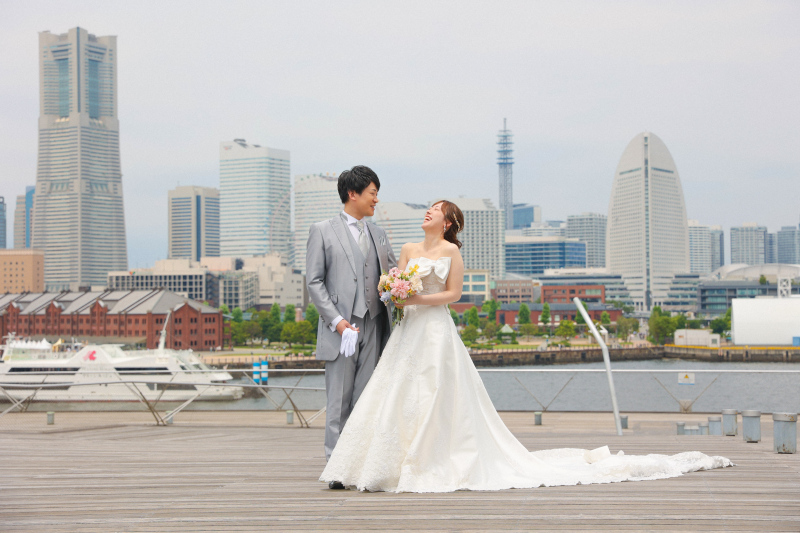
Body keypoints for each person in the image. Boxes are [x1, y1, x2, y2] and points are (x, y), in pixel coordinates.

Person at [320, 200, 732, 493]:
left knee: (435, 393)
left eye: (436, 209)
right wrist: (392, 292)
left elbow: (453, 295)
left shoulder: (451, 252)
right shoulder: (408, 248)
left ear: (447, 223)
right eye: (429, 207)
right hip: (408, 331)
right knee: (395, 395)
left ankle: (430, 460)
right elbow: (389, 280)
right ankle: (381, 461)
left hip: (433, 329)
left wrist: (414, 299)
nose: (428, 211)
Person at [305, 166, 397, 485]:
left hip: (374, 324)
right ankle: (336, 468)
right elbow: (314, 281)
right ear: (352, 194)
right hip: (341, 328)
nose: (376, 199)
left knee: (365, 398)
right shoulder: (322, 230)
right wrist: (337, 321)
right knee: (339, 400)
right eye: (372, 192)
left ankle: (360, 462)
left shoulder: (379, 234)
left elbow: (392, 274)